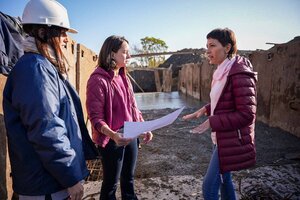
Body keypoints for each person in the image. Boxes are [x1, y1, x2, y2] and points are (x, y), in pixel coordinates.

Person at [3, 0, 98, 199]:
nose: (65, 39)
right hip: (47, 186)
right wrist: (71, 176)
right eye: (61, 32)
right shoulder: (35, 69)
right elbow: (46, 130)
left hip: (51, 182)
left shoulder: (42, 66)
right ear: (42, 33)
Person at [183, 28, 257, 199]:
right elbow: (225, 100)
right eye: (206, 46)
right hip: (221, 137)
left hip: (232, 138)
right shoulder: (222, 72)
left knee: (209, 187)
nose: (207, 51)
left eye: (212, 45)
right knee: (225, 180)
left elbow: (247, 114)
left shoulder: (239, 73)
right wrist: (206, 109)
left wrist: (212, 121)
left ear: (228, 47)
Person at [86, 35, 153, 200]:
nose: (129, 56)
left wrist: (143, 127)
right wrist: (113, 135)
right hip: (111, 140)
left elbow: (133, 108)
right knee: (110, 184)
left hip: (131, 136)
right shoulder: (97, 80)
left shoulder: (124, 77)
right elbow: (95, 118)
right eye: (125, 52)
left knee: (128, 180)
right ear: (111, 54)